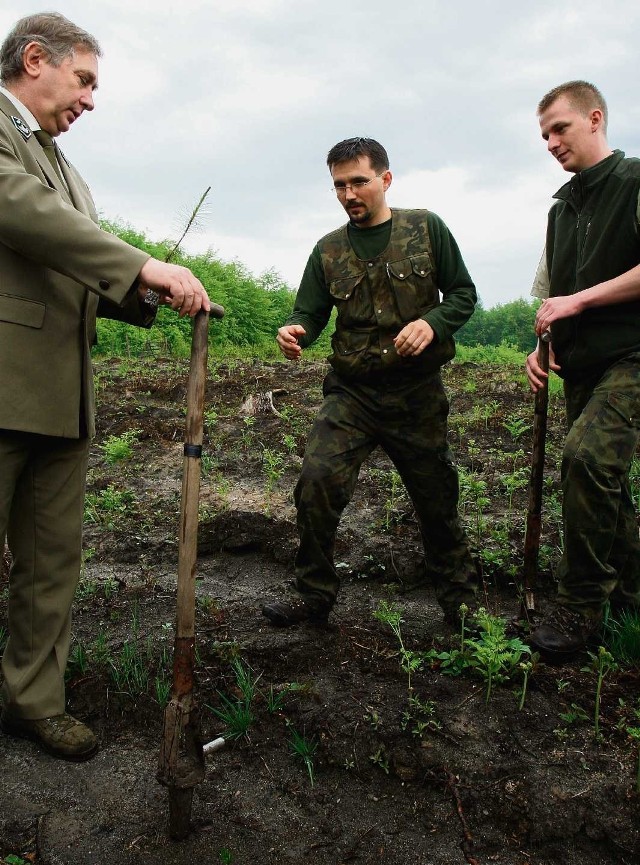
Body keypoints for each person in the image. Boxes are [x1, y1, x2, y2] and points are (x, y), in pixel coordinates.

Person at [0, 12, 211, 759]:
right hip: (2, 383)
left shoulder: (65, 166)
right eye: (84, 79)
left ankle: (32, 700)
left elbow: (77, 258)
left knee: (50, 561)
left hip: (61, 392)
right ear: (34, 59)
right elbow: (23, 215)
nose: (91, 98)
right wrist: (140, 264)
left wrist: (150, 290)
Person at [262, 137, 478, 628]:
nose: (348, 193)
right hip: (352, 394)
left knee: (436, 496)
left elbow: (463, 294)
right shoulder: (328, 250)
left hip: (416, 394)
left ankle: (460, 602)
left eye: (358, 181)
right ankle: (313, 593)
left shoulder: (427, 229)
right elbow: (309, 313)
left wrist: (434, 323)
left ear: (385, 179)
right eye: (339, 185)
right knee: (316, 482)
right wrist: (296, 330)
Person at [526, 81, 640, 663]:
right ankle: (632, 595)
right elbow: (550, 295)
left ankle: (581, 606)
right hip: (582, 364)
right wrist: (539, 344)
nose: (550, 141)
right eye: (544, 133)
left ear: (595, 119)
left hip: (634, 354)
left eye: (560, 128)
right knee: (606, 482)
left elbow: (575, 296)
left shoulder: (635, 181)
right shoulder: (561, 209)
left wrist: (581, 301)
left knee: (586, 458)